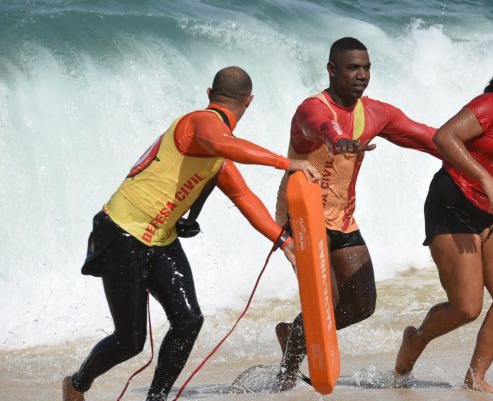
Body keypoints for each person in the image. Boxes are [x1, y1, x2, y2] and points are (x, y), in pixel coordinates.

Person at [62, 66, 320, 401]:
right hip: (122, 231)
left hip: (160, 239)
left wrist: (284, 242)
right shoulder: (201, 122)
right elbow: (222, 142)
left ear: (210, 91)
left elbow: (246, 199)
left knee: (188, 321)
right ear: (249, 102)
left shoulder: (218, 156)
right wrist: (287, 163)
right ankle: (76, 384)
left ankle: (156, 398)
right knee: (130, 340)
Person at [272, 37, 441, 390]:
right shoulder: (311, 108)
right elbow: (320, 127)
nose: (361, 74)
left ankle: (293, 335)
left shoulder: (376, 113)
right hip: (301, 218)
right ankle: (287, 371)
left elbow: (425, 137)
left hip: (342, 217)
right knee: (326, 301)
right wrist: (337, 141)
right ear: (332, 70)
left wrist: (472, 153)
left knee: (362, 304)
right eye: (352, 68)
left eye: (366, 68)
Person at [394, 48, 493, 392]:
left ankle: (476, 376)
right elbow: (444, 137)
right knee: (466, 308)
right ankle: (416, 339)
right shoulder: (489, 106)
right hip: (453, 206)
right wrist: (484, 178)